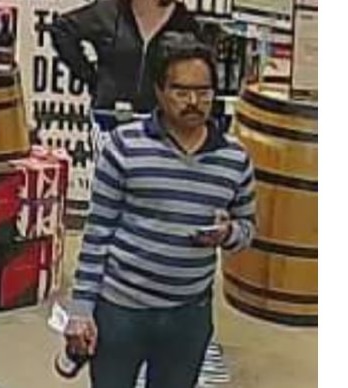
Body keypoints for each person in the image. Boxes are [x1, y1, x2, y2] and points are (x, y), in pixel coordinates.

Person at [64, 32, 257, 388]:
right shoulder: (125, 147)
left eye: (204, 92)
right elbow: (97, 234)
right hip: (121, 309)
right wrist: (80, 311)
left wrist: (229, 233)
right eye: (181, 91)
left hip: (189, 314)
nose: (194, 102)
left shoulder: (234, 159)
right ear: (158, 90)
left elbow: (248, 228)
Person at [49, 0, 202, 113]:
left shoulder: (185, 24)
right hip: (110, 117)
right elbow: (62, 29)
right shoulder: (108, 10)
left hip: (161, 124)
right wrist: (91, 78)